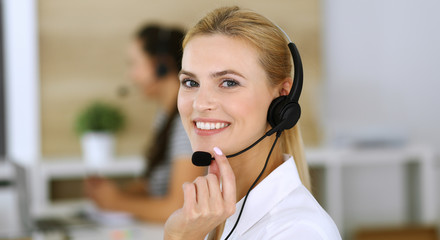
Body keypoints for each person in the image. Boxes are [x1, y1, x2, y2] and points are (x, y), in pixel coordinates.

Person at [163, 6, 341, 240]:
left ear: (282, 97)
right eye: (190, 82)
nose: (199, 103)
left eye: (228, 83)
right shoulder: (207, 218)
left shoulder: (300, 232)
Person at [84, 25, 206, 223]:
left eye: (134, 64)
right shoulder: (164, 116)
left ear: (161, 66)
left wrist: (116, 201)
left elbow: (180, 207)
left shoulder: (186, 123)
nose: (130, 76)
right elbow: (152, 185)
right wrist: (112, 194)